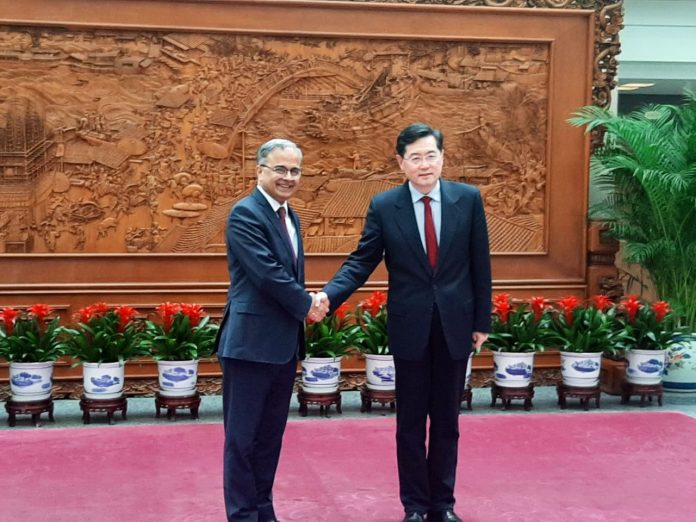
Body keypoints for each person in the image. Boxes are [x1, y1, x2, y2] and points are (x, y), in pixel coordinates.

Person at [317, 123, 492, 522]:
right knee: (410, 423)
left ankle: (443, 505)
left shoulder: (467, 199)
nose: (424, 164)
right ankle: (414, 506)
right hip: (410, 327)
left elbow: (480, 264)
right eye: (415, 157)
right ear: (401, 162)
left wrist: (481, 320)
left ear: (442, 157)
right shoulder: (385, 206)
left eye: (431, 155)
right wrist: (328, 295)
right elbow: (362, 260)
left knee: (447, 421)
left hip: (455, 326)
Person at [215, 138, 327, 522]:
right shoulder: (245, 214)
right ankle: (243, 515)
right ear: (259, 170)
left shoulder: (290, 215)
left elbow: (285, 276)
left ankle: (264, 512)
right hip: (249, 346)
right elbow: (267, 274)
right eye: (280, 169)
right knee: (242, 441)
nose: (288, 177)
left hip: (282, 346)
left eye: (295, 171)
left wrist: (305, 304)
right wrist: (307, 305)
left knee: (268, 440)